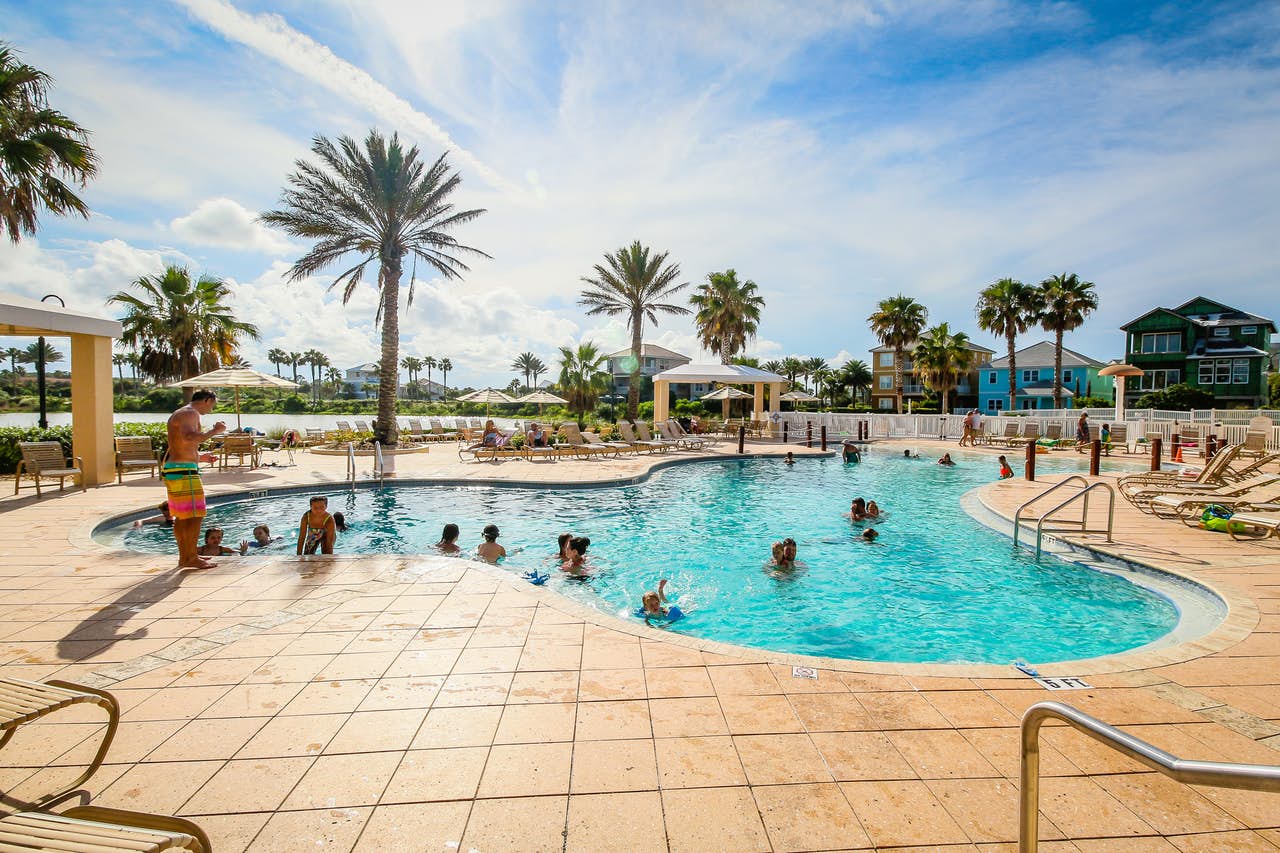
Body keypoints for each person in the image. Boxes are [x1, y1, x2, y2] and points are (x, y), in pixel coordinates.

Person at [165, 390, 227, 570]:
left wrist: (201, 457)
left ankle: (184, 557)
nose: (211, 409)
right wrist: (215, 430)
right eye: (212, 405)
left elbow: (181, 444)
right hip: (183, 471)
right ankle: (191, 557)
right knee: (196, 515)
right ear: (206, 400)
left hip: (178, 468)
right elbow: (189, 437)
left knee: (182, 517)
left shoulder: (181, 413)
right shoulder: (190, 413)